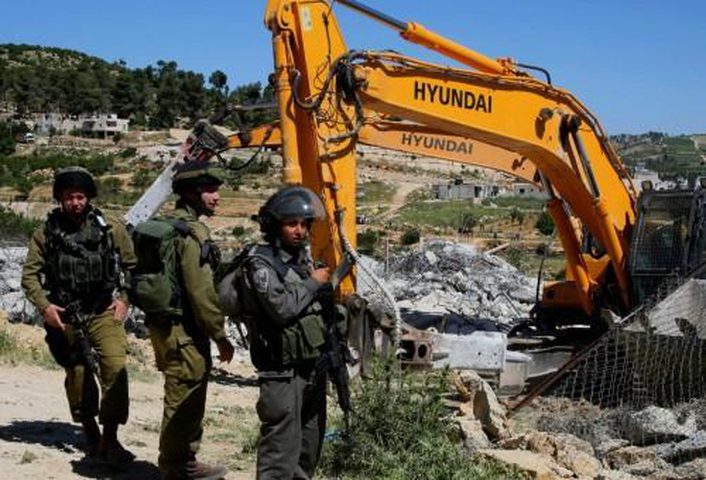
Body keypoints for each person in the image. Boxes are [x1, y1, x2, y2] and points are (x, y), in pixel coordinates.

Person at [21, 166, 136, 462]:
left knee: (115, 365)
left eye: (80, 196)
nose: (75, 203)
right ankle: (90, 433)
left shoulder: (110, 227)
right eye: (69, 197)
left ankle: (110, 438)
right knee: (79, 374)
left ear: (88, 198)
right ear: (60, 199)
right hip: (66, 314)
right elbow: (30, 277)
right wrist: (45, 307)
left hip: (101, 310)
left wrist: (124, 299)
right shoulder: (45, 234)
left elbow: (132, 266)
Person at [147, 162, 234, 480]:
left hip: (167, 326)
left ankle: (183, 460)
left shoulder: (172, 226)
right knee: (183, 395)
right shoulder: (192, 234)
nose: (217, 197)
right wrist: (220, 334)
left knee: (184, 390)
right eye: (211, 190)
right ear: (192, 194)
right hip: (182, 329)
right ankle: (175, 465)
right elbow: (200, 290)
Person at [239, 186, 332, 480]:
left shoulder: (301, 262)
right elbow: (281, 308)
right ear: (274, 226)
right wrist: (314, 283)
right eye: (292, 224)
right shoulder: (261, 263)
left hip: (310, 368)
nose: (300, 230)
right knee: (280, 450)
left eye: (304, 224)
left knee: (309, 445)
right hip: (281, 372)